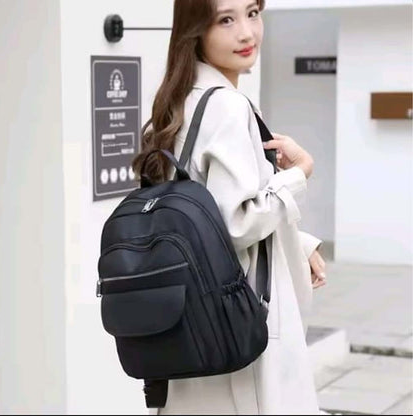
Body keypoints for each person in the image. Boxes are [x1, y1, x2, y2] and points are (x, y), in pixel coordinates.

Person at [132, 0, 327, 414]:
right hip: (237, 323)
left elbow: (202, 213)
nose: (246, 32)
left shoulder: (181, 98)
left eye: (253, 13)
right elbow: (236, 222)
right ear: (196, 30)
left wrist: (297, 242)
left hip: (192, 320)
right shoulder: (227, 106)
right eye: (226, 20)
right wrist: (299, 174)